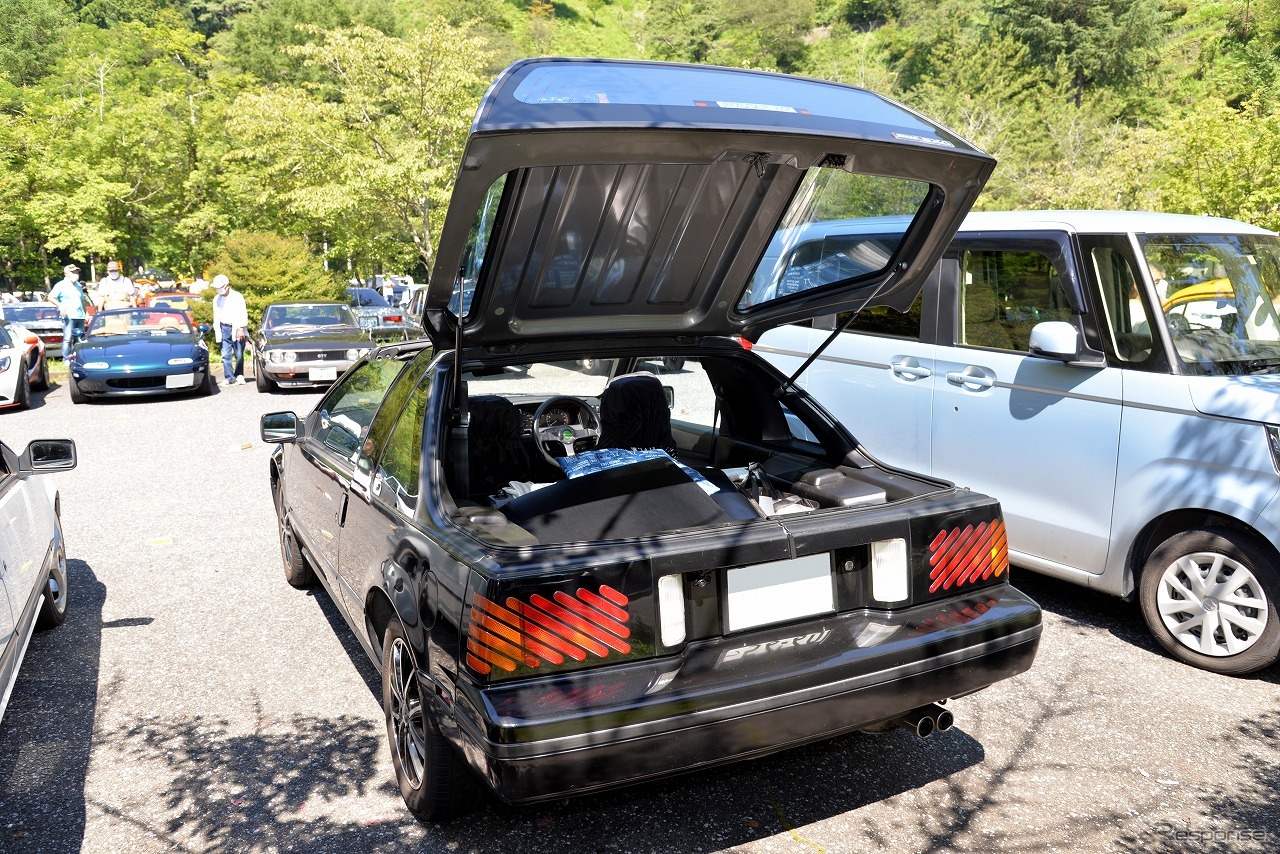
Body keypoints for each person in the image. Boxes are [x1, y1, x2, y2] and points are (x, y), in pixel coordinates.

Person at [211, 274, 249, 386]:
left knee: (239, 353)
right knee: (225, 354)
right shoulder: (216, 299)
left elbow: (243, 312)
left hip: (236, 327)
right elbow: (216, 315)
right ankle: (229, 377)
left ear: (226, 286)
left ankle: (239, 375)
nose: (218, 290)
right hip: (224, 327)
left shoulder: (237, 296)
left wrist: (241, 328)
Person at [48, 264, 89, 346]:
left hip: (80, 316)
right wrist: (60, 306)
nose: (75, 274)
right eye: (73, 272)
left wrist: (86, 314)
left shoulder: (78, 285)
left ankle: (78, 357)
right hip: (69, 316)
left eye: (76, 272)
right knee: (68, 338)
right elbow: (50, 297)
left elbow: (82, 300)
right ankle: (66, 358)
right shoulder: (60, 285)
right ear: (66, 274)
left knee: (80, 338)